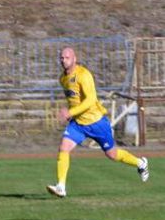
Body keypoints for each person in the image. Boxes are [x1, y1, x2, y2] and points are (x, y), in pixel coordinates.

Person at [46, 47, 148, 197]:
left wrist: (70, 112)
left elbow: (91, 100)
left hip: (96, 122)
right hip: (79, 124)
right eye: (61, 58)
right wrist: (70, 113)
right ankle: (61, 186)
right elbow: (74, 99)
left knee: (112, 154)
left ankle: (140, 163)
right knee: (64, 147)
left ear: (75, 58)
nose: (63, 60)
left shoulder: (83, 75)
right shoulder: (62, 79)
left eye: (67, 57)